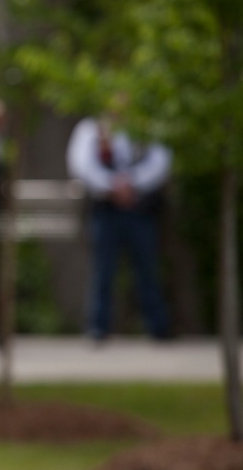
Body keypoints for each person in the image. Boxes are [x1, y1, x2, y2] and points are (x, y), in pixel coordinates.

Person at [66, 107, 172, 342]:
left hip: (140, 208)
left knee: (147, 269)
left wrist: (132, 183)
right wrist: (112, 185)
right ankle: (98, 327)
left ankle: (158, 326)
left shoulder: (146, 126)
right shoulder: (91, 128)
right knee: (103, 270)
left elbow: (160, 161)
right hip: (105, 209)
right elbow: (82, 164)